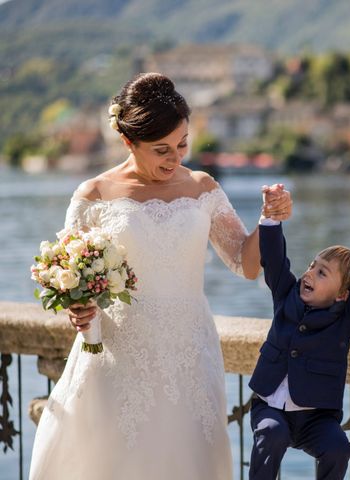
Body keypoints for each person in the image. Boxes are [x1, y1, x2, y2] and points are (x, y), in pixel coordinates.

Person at [28, 72, 292, 480]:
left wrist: (269, 219)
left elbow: (245, 263)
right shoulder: (93, 195)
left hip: (191, 354)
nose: (175, 158)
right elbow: (72, 276)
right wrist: (77, 307)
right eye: (161, 149)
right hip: (117, 357)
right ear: (128, 142)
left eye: (183, 144)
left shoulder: (203, 187)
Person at [248, 189, 350, 480]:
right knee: (271, 434)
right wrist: (271, 219)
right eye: (312, 266)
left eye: (322, 273)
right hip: (271, 406)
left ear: (342, 295)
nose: (310, 274)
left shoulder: (347, 319)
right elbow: (274, 262)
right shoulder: (286, 295)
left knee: (338, 448)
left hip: (317, 418)